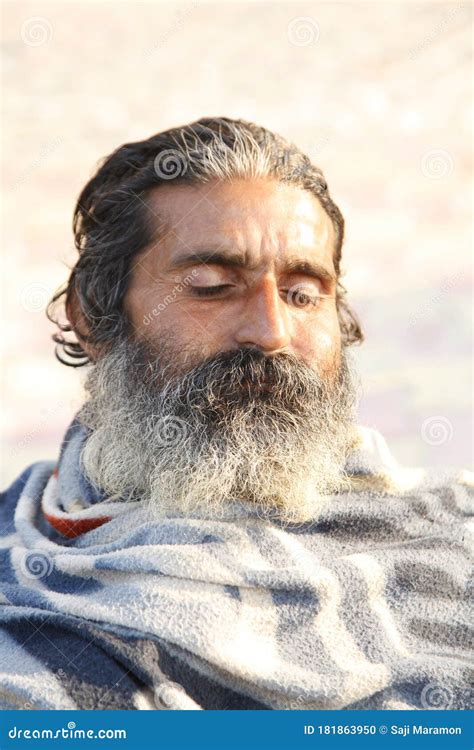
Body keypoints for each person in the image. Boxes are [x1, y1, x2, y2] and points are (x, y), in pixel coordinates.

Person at [0, 117, 472, 710]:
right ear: (92, 316)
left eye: (303, 294)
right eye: (211, 285)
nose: (271, 331)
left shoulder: (454, 538)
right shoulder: (19, 580)